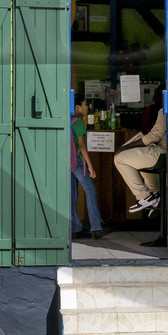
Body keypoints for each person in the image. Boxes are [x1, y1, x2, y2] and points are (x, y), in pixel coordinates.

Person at [114, 91, 166, 213]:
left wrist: (126, 147)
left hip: (162, 153)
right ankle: (155, 197)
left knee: (119, 159)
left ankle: (145, 197)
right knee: (144, 166)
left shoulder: (165, 110)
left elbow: (154, 136)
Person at [70, 97, 108, 240]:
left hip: (70, 164)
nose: (87, 108)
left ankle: (75, 228)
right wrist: (91, 166)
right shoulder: (78, 123)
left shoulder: (69, 122)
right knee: (91, 192)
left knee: (72, 197)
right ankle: (96, 227)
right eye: (85, 105)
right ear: (77, 107)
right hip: (79, 163)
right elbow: (82, 146)